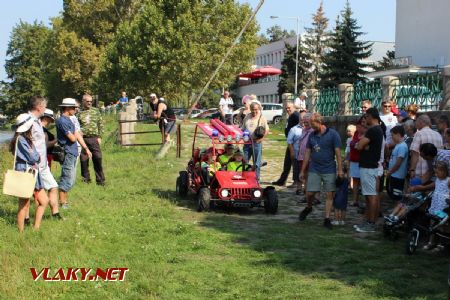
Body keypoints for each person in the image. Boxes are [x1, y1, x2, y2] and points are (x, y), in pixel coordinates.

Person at [298, 113, 343, 229]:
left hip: (329, 169)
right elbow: (307, 153)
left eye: (313, 124)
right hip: (314, 168)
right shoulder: (312, 136)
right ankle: (309, 207)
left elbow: (338, 153)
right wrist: (302, 171)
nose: (311, 127)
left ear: (320, 122)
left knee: (329, 194)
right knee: (309, 193)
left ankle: (327, 218)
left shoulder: (333, 134)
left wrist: (340, 170)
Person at [10, 114, 48, 232]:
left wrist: (36, 156)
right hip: (24, 171)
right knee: (24, 204)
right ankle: (20, 232)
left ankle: (35, 228)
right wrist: (36, 156)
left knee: (44, 201)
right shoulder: (20, 139)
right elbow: (33, 157)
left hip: (32, 172)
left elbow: (36, 156)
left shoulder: (26, 139)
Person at [28, 97, 61, 220]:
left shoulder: (39, 127)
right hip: (34, 164)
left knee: (53, 186)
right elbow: (44, 145)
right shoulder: (36, 126)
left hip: (43, 163)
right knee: (31, 192)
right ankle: (28, 219)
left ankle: (55, 213)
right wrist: (56, 140)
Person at [354, 108, 384, 233]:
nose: (365, 119)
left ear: (372, 116)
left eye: (366, 116)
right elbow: (360, 145)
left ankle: (371, 222)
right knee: (368, 195)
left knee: (371, 196)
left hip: (369, 166)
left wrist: (362, 145)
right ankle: (368, 220)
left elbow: (359, 145)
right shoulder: (376, 130)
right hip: (368, 166)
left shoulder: (373, 130)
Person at [56, 98, 86, 209]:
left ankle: (64, 201)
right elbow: (73, 138)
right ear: (67, 108)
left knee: (71, 179)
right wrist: (76, 132)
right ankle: (62, 203)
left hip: (72, 152)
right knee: (67, 178)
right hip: (67, 152)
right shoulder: (62, 121)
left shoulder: (68, 120)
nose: (75, 109)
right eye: (73, 107)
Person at [78, 94, 105, 186]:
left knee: (98, 158)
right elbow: (76, 126)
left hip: (94, 139)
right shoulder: (79, 113)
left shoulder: (96, 111)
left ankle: (100, 180)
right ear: (83, 101)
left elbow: (100, 124)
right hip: (83, 139)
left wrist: (100, 136)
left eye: (91, 101)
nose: (89, 103)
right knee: (84, 160)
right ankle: (86, 180)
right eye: (87, 101)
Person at [422, 161, 450, 251]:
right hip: (435, 205)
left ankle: (441, 243)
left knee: (442, 224)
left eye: (438, 172)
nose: (436, 174)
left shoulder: (448, 180)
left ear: (444, 171)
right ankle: (431, 242)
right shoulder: (437, 180)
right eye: (435, 172)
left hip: (443, 206)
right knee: (432, 223)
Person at [272, 102, 300, 187]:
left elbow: (301, 127)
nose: (287, 109)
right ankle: (282, 180)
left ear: (294, 107)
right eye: (286, 108)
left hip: (295, 143)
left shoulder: (296, 115)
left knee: (295, 163)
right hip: (290, 142)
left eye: (289, 108)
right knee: (287, 162)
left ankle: (296, 181)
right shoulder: (291, 116)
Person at [409, 114, 443, 180]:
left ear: (421, 122)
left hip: (421, 173)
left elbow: (415, 153)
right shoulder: (438, 134)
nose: (415, 124)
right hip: (436, 172)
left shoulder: (419, 134)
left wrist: (412, 169)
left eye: (416, 122)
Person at [241, 101, 269, 181]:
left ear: (259, 109)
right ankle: (245, 178)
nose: (254, 111)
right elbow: (242, 129)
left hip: (257, 142)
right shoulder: (247, 117)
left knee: (257, 163)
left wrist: (261, 139)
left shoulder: (262, 118)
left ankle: (256, 180)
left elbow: (266, 130)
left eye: (256, 109)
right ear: (250, 109)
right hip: (247, 142)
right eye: (253, 109)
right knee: (244, 161)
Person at [347, 117, 366, 207]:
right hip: (354, 160)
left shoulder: (368, 134)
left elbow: (360, 146)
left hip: (363, 161)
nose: (362, 124)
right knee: (355, 180)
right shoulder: (356, 134)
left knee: (363, 181)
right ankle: (355, 200)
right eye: (361, 122)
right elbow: (353, 144)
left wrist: (356, 145)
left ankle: (365, 201)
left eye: (364, 122)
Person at [386, 126, 409, 201]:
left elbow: (398, 163)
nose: (392, 137)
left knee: (397, 195)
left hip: (398, 175)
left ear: (398, 135)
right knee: (393, 193)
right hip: (394, 174)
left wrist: (390, 171)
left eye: (392, 135)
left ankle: (397, 211)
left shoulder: (402, 146)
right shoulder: (398, 145)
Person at [296, 113, 314, 198]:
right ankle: (306, 195)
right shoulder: (303, 130)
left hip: (310, 158)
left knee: (310, 177)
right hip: (301, 156)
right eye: (304, 121)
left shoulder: (313, 131)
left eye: (307, 122)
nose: (305, 123)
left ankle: (311, 196)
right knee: (304, 177)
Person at [286, 116, 303, 192]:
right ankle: (296, 183)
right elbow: (289, 141)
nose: (303, 120)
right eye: (302, 118)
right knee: (296, 168)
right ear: (299, 119)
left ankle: (303, 184)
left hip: (306, 154)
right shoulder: (294, 129)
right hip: (296, 152)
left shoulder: (310, 129)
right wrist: (292, 151)